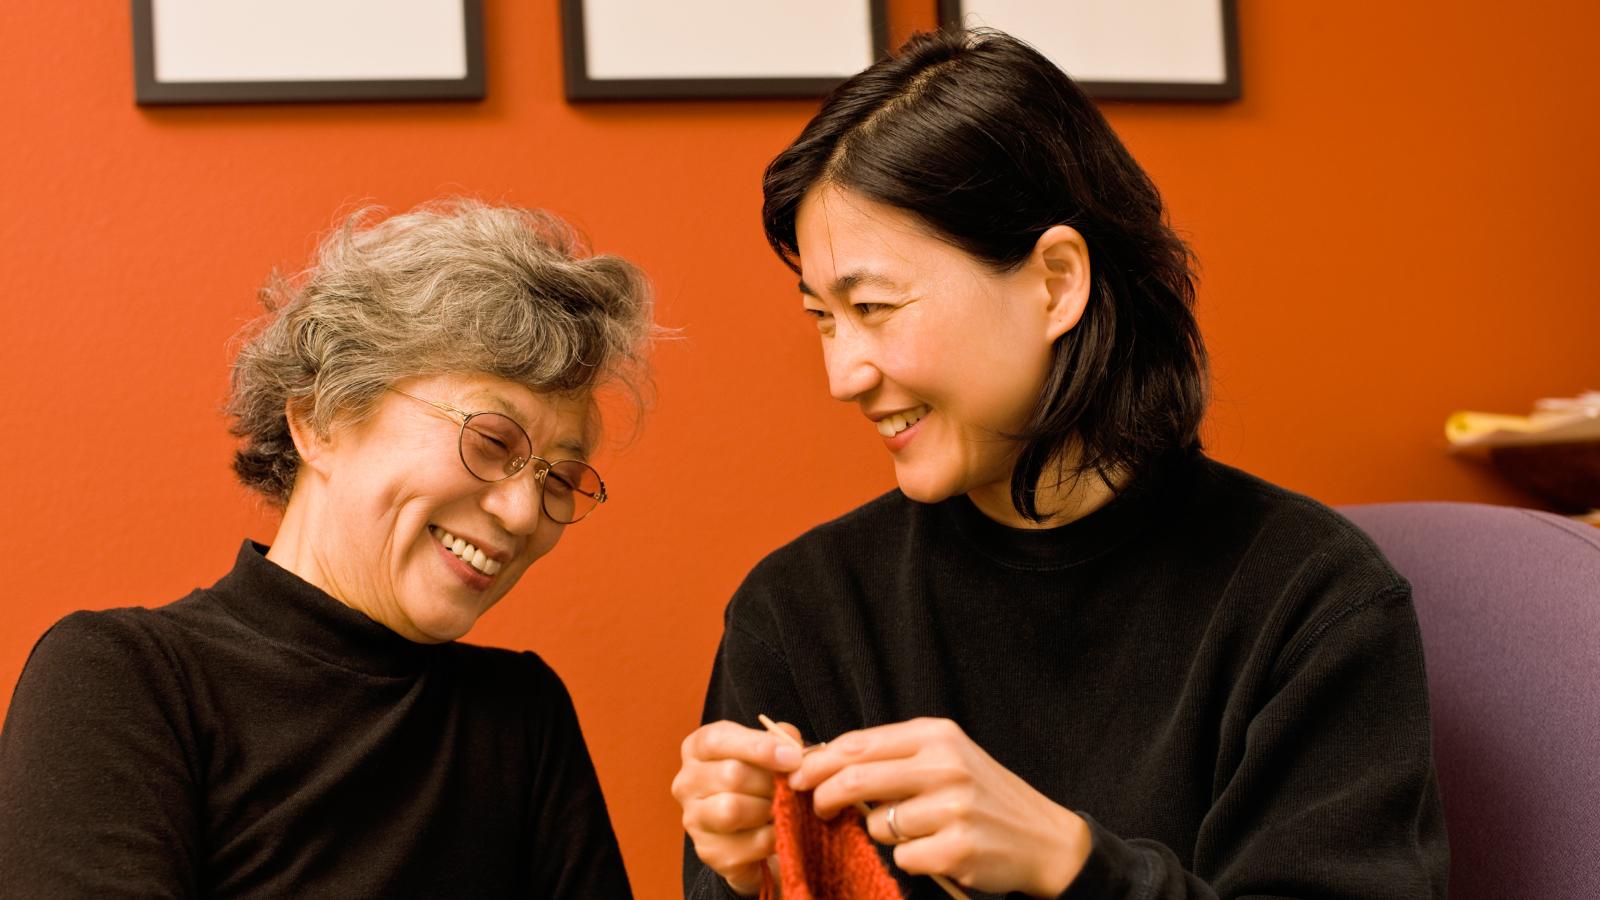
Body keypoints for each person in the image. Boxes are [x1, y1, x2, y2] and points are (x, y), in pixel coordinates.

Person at [672, 28, 1448, 900]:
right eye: (823, 317)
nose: (842, 374)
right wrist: (754, 883)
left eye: (875, 306)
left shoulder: (1312, 601)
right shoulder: (799, 612)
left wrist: (1072, 864)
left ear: (1056, 283)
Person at [0, 200, 651, 897]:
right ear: (322, 418)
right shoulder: (125, 679)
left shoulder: (521, 716)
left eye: (560, 477)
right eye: (493, 442)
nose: (524, 514)